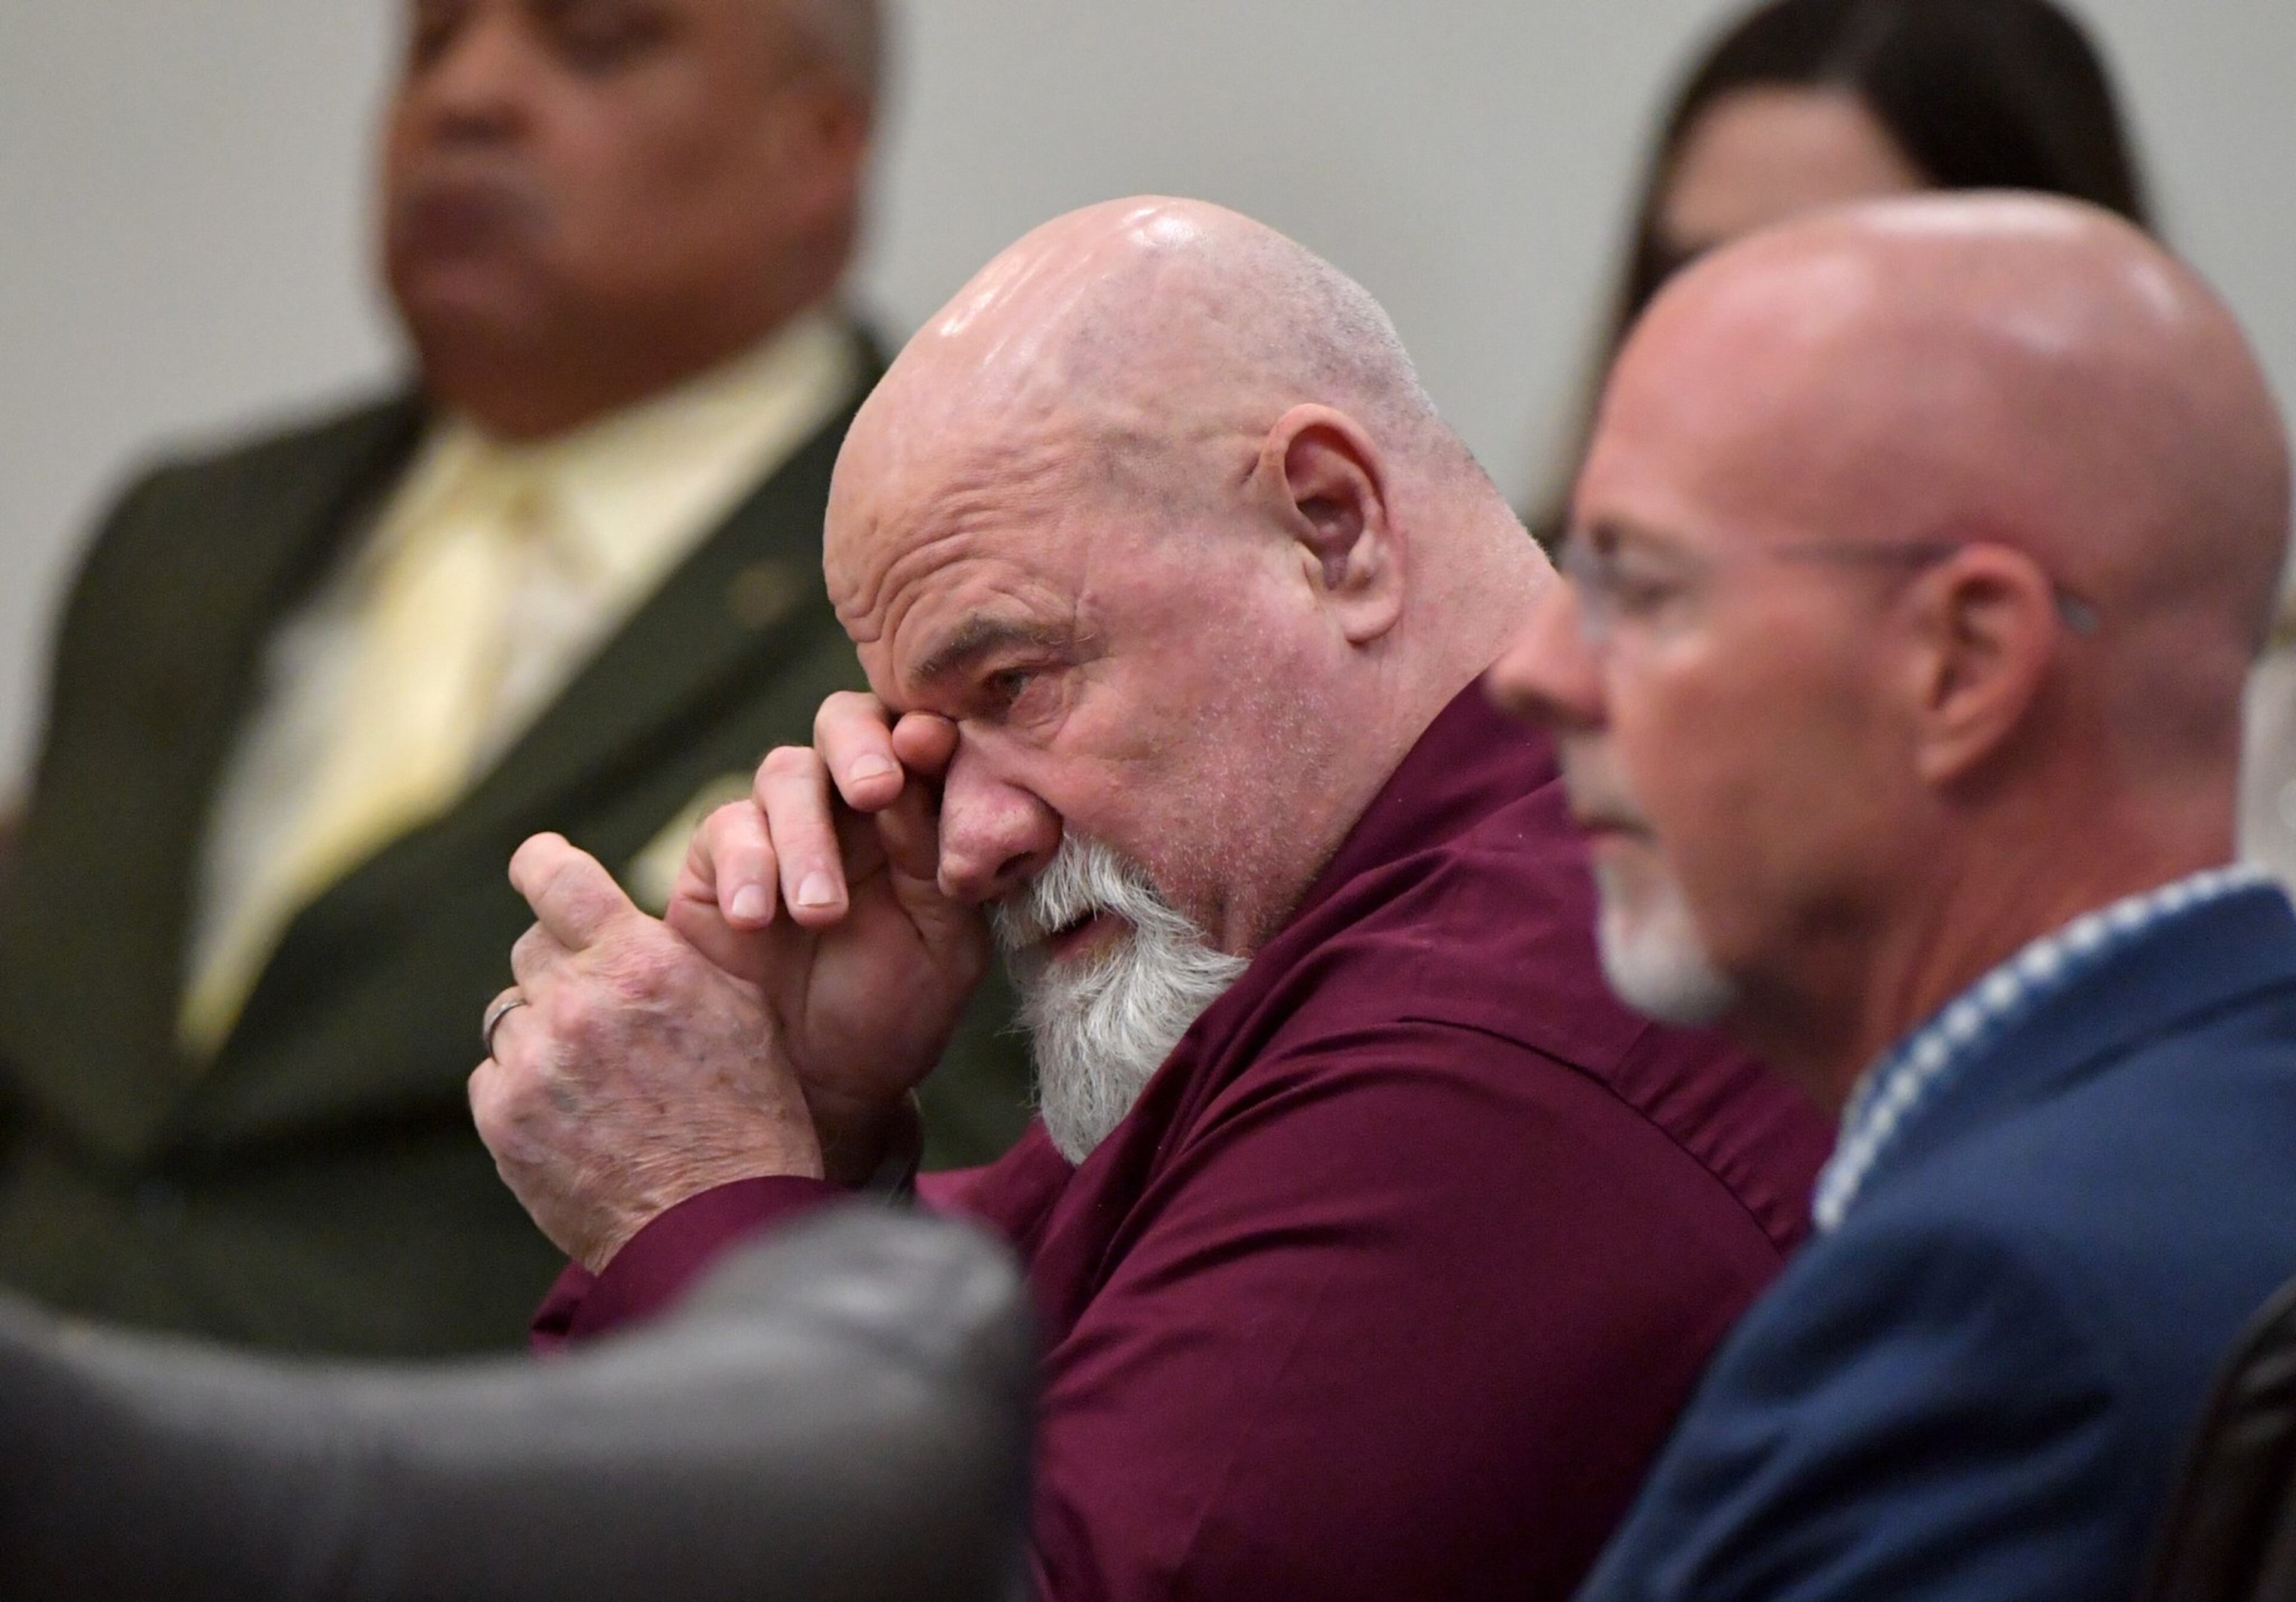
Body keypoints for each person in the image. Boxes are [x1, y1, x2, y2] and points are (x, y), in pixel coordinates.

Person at [469, 197, 1833, 1600]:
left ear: (1333, 523)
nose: (966, 839)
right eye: (929, 737)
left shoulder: (1514, 1003)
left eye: (1012, 684)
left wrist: (691, 1196)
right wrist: (815, 1126)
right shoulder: (1304, 945)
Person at [0, 0, 1029, 1357]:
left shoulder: (962, 596)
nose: (467, 96)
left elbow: (980, 1235)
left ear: (815, 145)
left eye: (594, 41)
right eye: (429, 43)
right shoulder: (182, 532)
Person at [1492, 192, 2296, 1599]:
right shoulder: (2222, 1127)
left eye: (1641, 584)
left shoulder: (1987, 1305)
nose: (1537, 670)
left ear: (1961, 662)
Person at [1531, 0, 2150, 544]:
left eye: (1829, 297)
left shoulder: (2191, 668)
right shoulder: (1511, 655)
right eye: (1693, 276)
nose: (1732, 360)